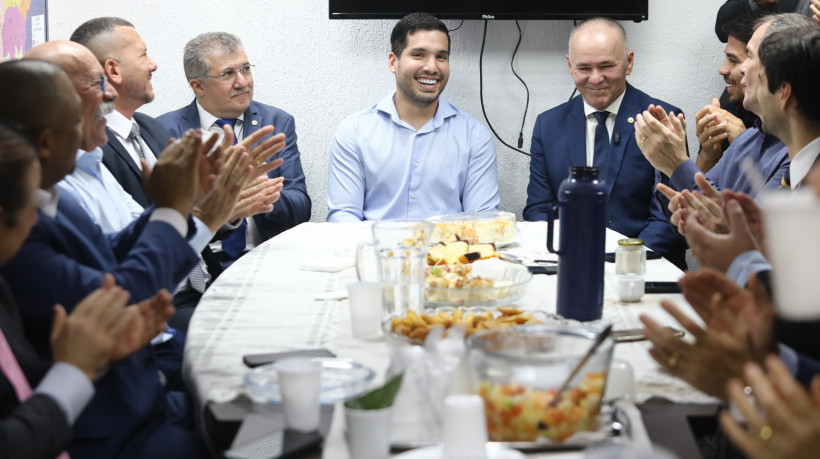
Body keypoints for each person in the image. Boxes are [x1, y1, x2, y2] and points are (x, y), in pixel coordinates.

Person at [0, 55, 208, 457]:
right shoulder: (18, 229)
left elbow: (107, 253)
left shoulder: (53, 192)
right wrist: (172, 210)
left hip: (137, 399)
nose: (106, 101)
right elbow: (121, 294)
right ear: (43, 141)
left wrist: (180, 205)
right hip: (108, 431)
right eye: (76, 122)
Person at [523, 17, 685, 267]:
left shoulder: (661, 119)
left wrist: (622, 264)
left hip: (644, 267)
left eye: (607, 66)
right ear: (570, 65)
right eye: (584, 68)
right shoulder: (548, 126)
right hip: (568, 264)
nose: (596, 79)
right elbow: (539, 212)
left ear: (629, 62)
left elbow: (667, 217)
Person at [326, 12, 500, 222]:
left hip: (447, 253)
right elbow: (344, 217)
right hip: (376, 252)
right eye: (418, 55)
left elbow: (482, 220)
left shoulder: (474, 136)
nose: (432, 67)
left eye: (441, 57)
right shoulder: (353, 132)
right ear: (393, 62)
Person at [158, 31, 310, 260]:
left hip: (265, 259)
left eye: (246, 69)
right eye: (228, 73)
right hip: (199, 265)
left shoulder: (276, 123)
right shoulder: (165, 132)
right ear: (198, 86)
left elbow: (301, 208)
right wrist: (222, 202)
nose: (242, 82)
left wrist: (262, 191)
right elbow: (165, 222)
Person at [695, 13, 760, 173]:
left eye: (733, 60)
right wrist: (709, 155)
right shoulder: (729, 111)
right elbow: (694, 193)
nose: (722, 69)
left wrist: (743, 145)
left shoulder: (794, 124)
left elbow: (774, 195)